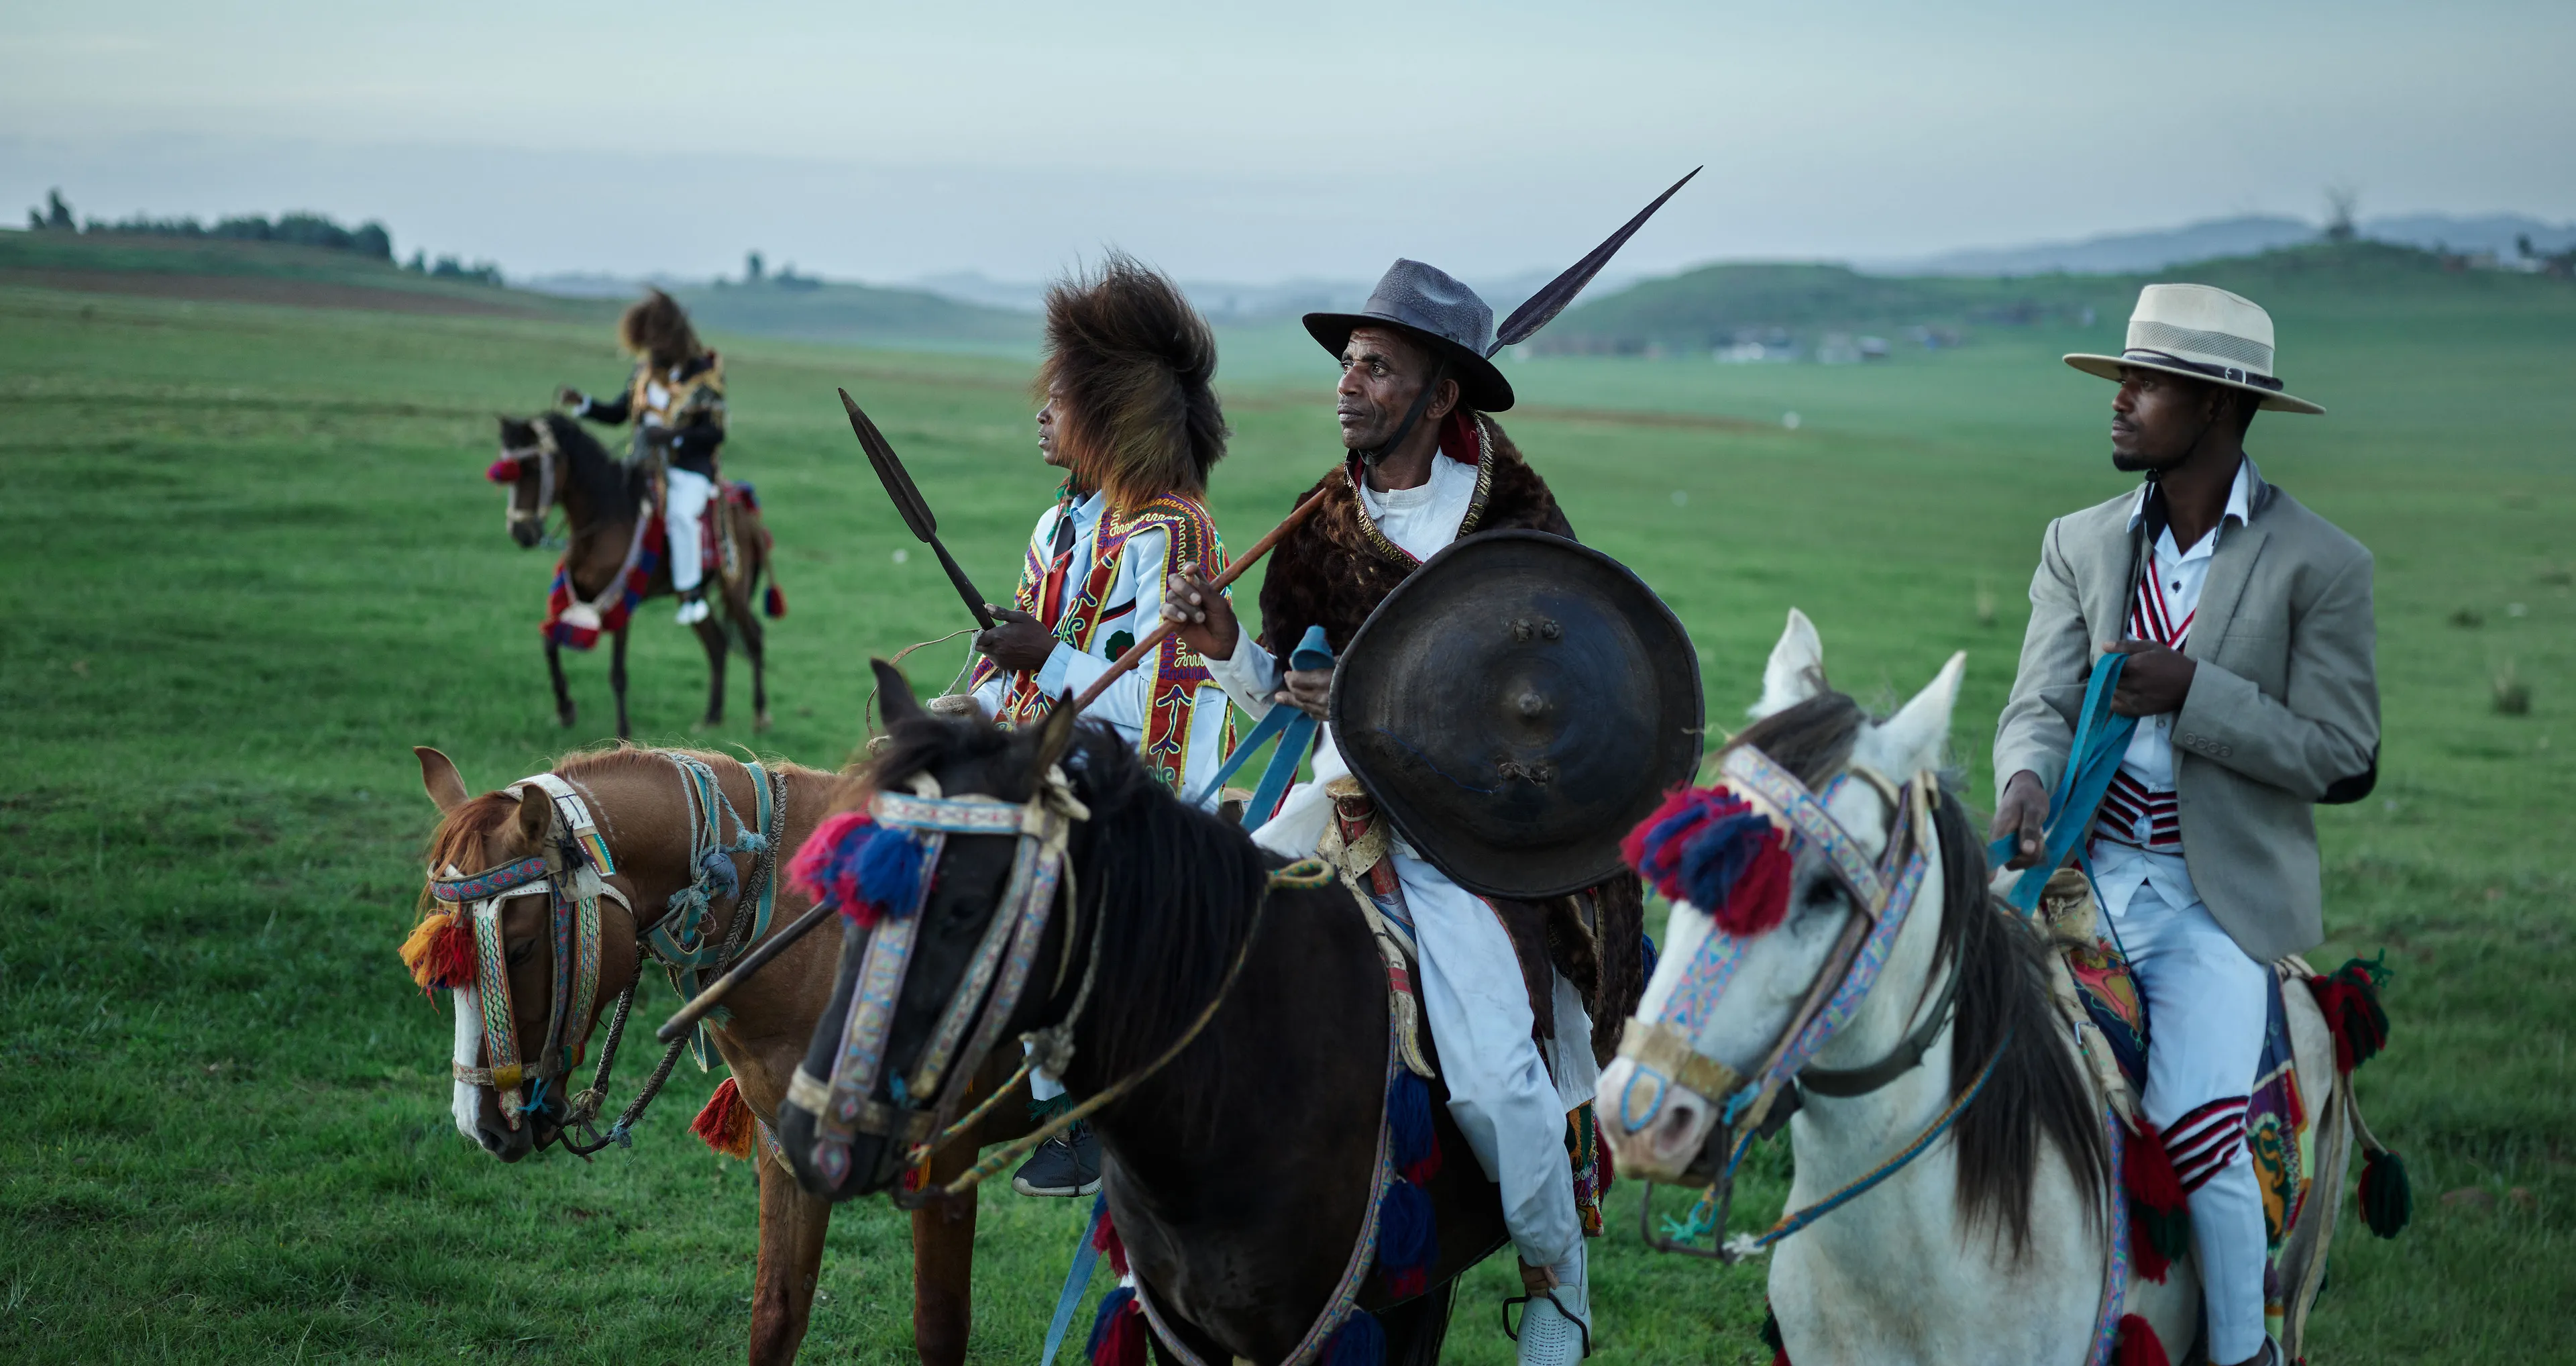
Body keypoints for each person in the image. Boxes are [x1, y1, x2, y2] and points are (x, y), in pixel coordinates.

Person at [1161, 260, 1603, 1366]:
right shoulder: (1323, 516)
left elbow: (1544, 706)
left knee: (1504, 1085)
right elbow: (1287, 693)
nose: (1349, 384)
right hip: (1333, 811)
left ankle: (1559, 1284)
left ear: (1441, 393)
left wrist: (1359, 689)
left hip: (1459, 831)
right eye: (1349, 361)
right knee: (1182, 951)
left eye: (1377, 366)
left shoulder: (1516, 518)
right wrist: (1232, 651)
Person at [1990, 284, 2377, 1366]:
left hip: (2217, 904)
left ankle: (2246, 1349)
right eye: (2121, 375)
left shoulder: (2320, 563)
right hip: (2081, 877)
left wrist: (2195, 693)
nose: (2119, 399)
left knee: (2201, 1142)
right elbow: (2039, 701)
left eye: (2146, 382)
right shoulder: (2079, 541)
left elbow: (2346, 757)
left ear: (2217, 406)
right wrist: (2023, 778)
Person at [964, 253, 1236, 1198]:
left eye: (1062, 398)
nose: (1043, 413)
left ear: (1114, 415)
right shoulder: (1059, 526)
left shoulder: (1176, 535)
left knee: (1050, 877)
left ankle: (1073, 1109)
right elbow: (1035, 674)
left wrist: (1044, 658)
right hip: (1057, 755)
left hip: (1153, 788)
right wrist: (980, 706)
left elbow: (1155, 712)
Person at [559, 288, 727, 625]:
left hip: (687, 470)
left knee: (680, 515)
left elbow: (715, 433)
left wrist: (672, 435)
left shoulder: (703, 374)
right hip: (641, 464)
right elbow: (619, 412)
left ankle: (690, 592)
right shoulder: (644, 374)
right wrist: (585, 404)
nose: (652, 350)